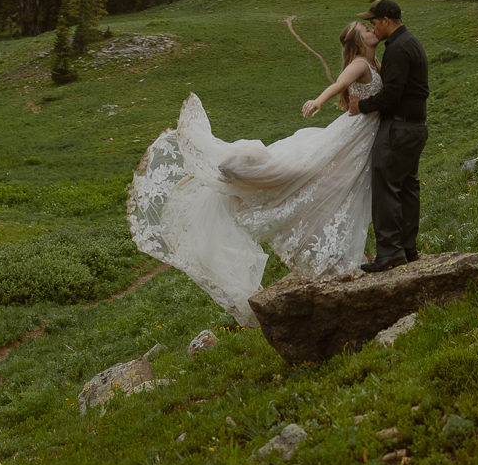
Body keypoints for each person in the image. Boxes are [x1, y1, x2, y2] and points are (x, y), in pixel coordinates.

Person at [126, 21, 384, 325]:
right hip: (355, 132)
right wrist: (318, 101)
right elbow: (339, 84)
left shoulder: (373, 61)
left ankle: (335, 247)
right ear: (358, 40)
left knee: (338, 180)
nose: (371, 29)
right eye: (365, 28)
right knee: (312, 168)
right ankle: (244, 170)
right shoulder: (358, 63)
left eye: (370, 26)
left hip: (362, 131)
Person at [348, 0, 428, 272]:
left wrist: (363, 106)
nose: (373, 29)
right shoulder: (411, 43)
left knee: (385, 187)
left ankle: (390, 254)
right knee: (407, 186)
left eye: (374, 23)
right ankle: (408, 249)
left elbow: (392, 94)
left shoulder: (396, 49)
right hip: (416, 126)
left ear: (386, 21)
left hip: (398, 127)